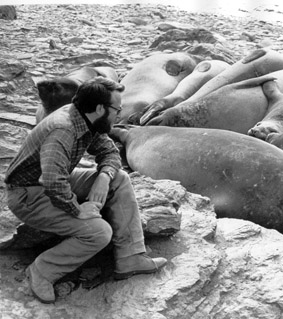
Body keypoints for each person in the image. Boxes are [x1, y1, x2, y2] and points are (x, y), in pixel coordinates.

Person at [5, 76, 167, 304]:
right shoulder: (63, 129)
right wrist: (77, 210)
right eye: (117, 109)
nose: (119, 114)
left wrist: (103, 176)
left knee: (119, 178)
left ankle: (130, 257)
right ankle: (43, 270)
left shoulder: (86, 117)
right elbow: (52, 182)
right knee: (98, 232)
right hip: (27, 194)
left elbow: (110, 153)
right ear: (100, 108)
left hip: (55, 180)